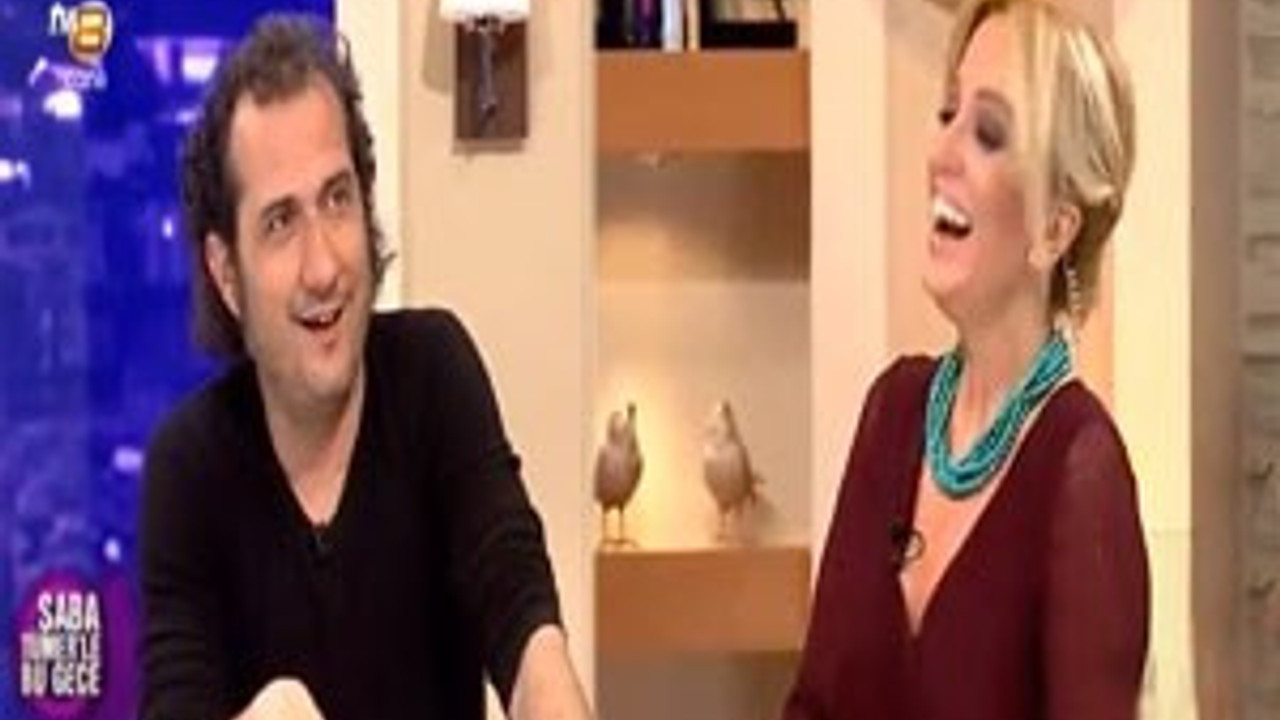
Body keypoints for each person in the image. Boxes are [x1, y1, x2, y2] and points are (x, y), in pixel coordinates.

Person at [139, 14, 592, 720]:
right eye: (281, 222)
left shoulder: (434, 374)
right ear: (227, 273)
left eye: (337, 199)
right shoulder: (190, 468)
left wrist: (551, 687)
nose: (324, 266)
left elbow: (523, 618)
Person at [782, 1, 1149, 718]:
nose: (941, 152)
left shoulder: (1082, 469)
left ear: (1054, 229)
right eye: (948, 112)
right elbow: (814, 706)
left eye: (988, 133)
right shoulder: (894, 411)